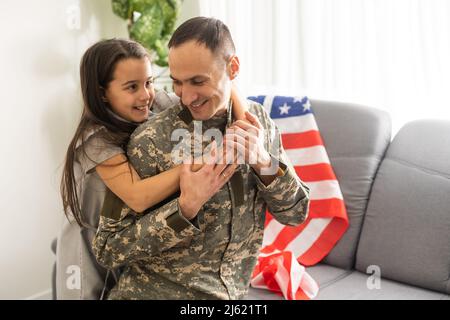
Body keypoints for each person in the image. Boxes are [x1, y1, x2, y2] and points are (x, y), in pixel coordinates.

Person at [92, 17, 310, 300]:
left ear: (232, 68)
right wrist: (185, 207)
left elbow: (296, 214)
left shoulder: (258, 124)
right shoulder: (150, 140)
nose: (187, 96)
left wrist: (262, 161)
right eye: (177, 83)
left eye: (198, 81)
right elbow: (107, 248)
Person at [56, 38, 244, 299]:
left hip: (126, 235)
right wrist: (199, 163)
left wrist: (243, 125)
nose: (145, 95)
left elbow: (226, 84)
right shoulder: (95, 139)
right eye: (131, 87)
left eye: (148, 82)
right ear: (101, 93)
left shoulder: (154, 105)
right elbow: (138, 196)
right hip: (88, 242)